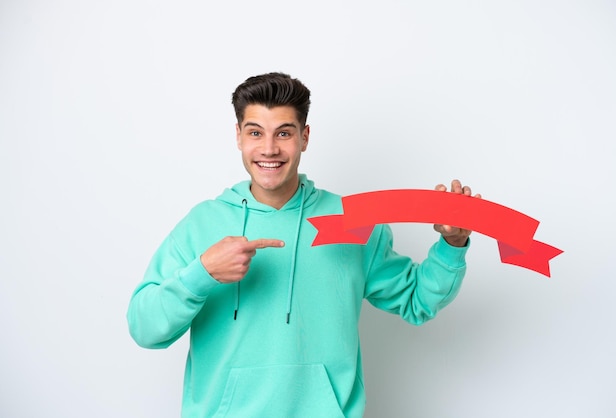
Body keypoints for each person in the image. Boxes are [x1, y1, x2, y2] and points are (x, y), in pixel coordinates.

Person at [127, 72, 480, 418]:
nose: (269, 149)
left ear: (305, 137)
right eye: (255, 133)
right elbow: (145, 328)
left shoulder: (352, 220)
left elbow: (416, 300)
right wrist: (201, 274)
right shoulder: (202, 224)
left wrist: (452, 243)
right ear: (238, 136)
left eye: (284, 133)